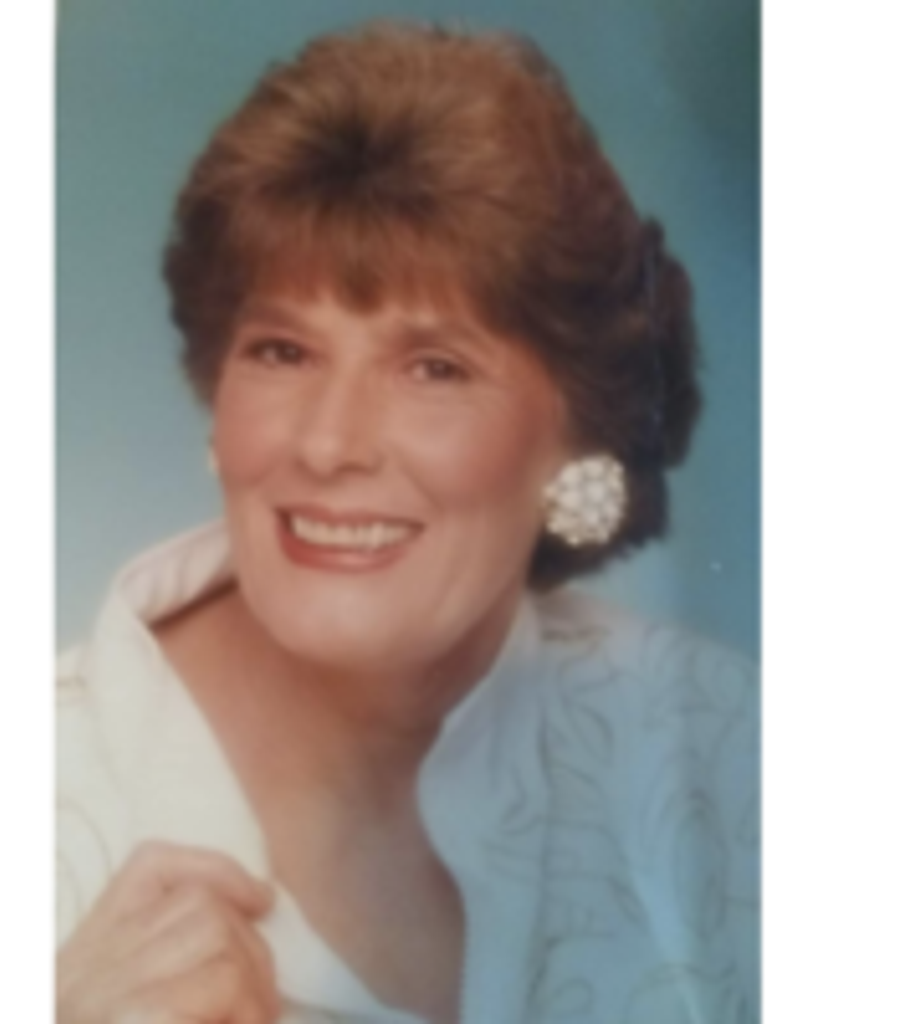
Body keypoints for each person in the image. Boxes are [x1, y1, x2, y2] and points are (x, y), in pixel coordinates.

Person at [56, 21, 759, 1024]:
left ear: (578, 435)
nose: (329, 443)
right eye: (282, 352)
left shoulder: (732, 749)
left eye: (435, 368)